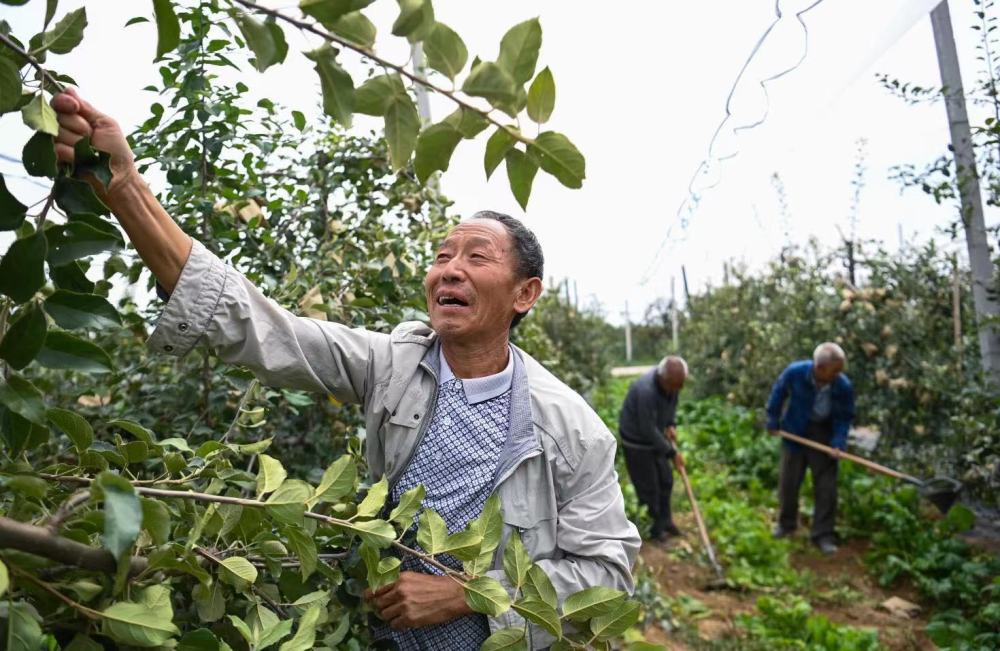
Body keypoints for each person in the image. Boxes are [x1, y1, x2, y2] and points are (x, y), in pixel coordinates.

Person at [50, 88, 640, 650]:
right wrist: (123, 184)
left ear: (524, 294)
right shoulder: (393, 364)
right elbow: (261, 327)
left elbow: (606, 578)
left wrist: (467, 595)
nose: (449, 271)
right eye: (441, 257)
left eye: (476, 257)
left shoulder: (570, 429)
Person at [766, 343, 855, 555]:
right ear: (819, 368)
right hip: (795, 429)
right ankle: (786, 525)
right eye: (835, 370)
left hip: (824, 433)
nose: (839, 374)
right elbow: (778, 393)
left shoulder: (842, 385)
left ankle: (823, 534)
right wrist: (772, 420)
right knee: (789, 482)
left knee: (826, 487)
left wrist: (838, 443)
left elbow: (844, 417)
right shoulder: (795, 373)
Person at [618, 356, 688, 542]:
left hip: (654, 438)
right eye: (674, 386)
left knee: (666, 480)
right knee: (649, 489)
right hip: (637, 442)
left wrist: (671, 423)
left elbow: (671, 405)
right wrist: (672, 453)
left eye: (680, 386)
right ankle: (655, 531)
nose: (677, 390)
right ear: (663, 379)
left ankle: (666, 521)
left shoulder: (673, 385)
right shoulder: (645, 391)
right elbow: (647, 429)